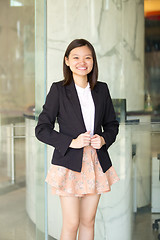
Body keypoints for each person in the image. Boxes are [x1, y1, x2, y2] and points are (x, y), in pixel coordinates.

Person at [35, 39, 119, 240]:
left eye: (87, 57)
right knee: (72, 223)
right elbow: (41, 129)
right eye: (76, 57)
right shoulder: (58, 90)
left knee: (88, 222)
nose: (82, 62)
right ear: (67, 61)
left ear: (93, 61)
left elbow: (112, 125)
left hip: (95, 162)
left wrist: (104, 139)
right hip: (69, 163)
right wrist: (70, 142)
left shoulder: (101, 89)